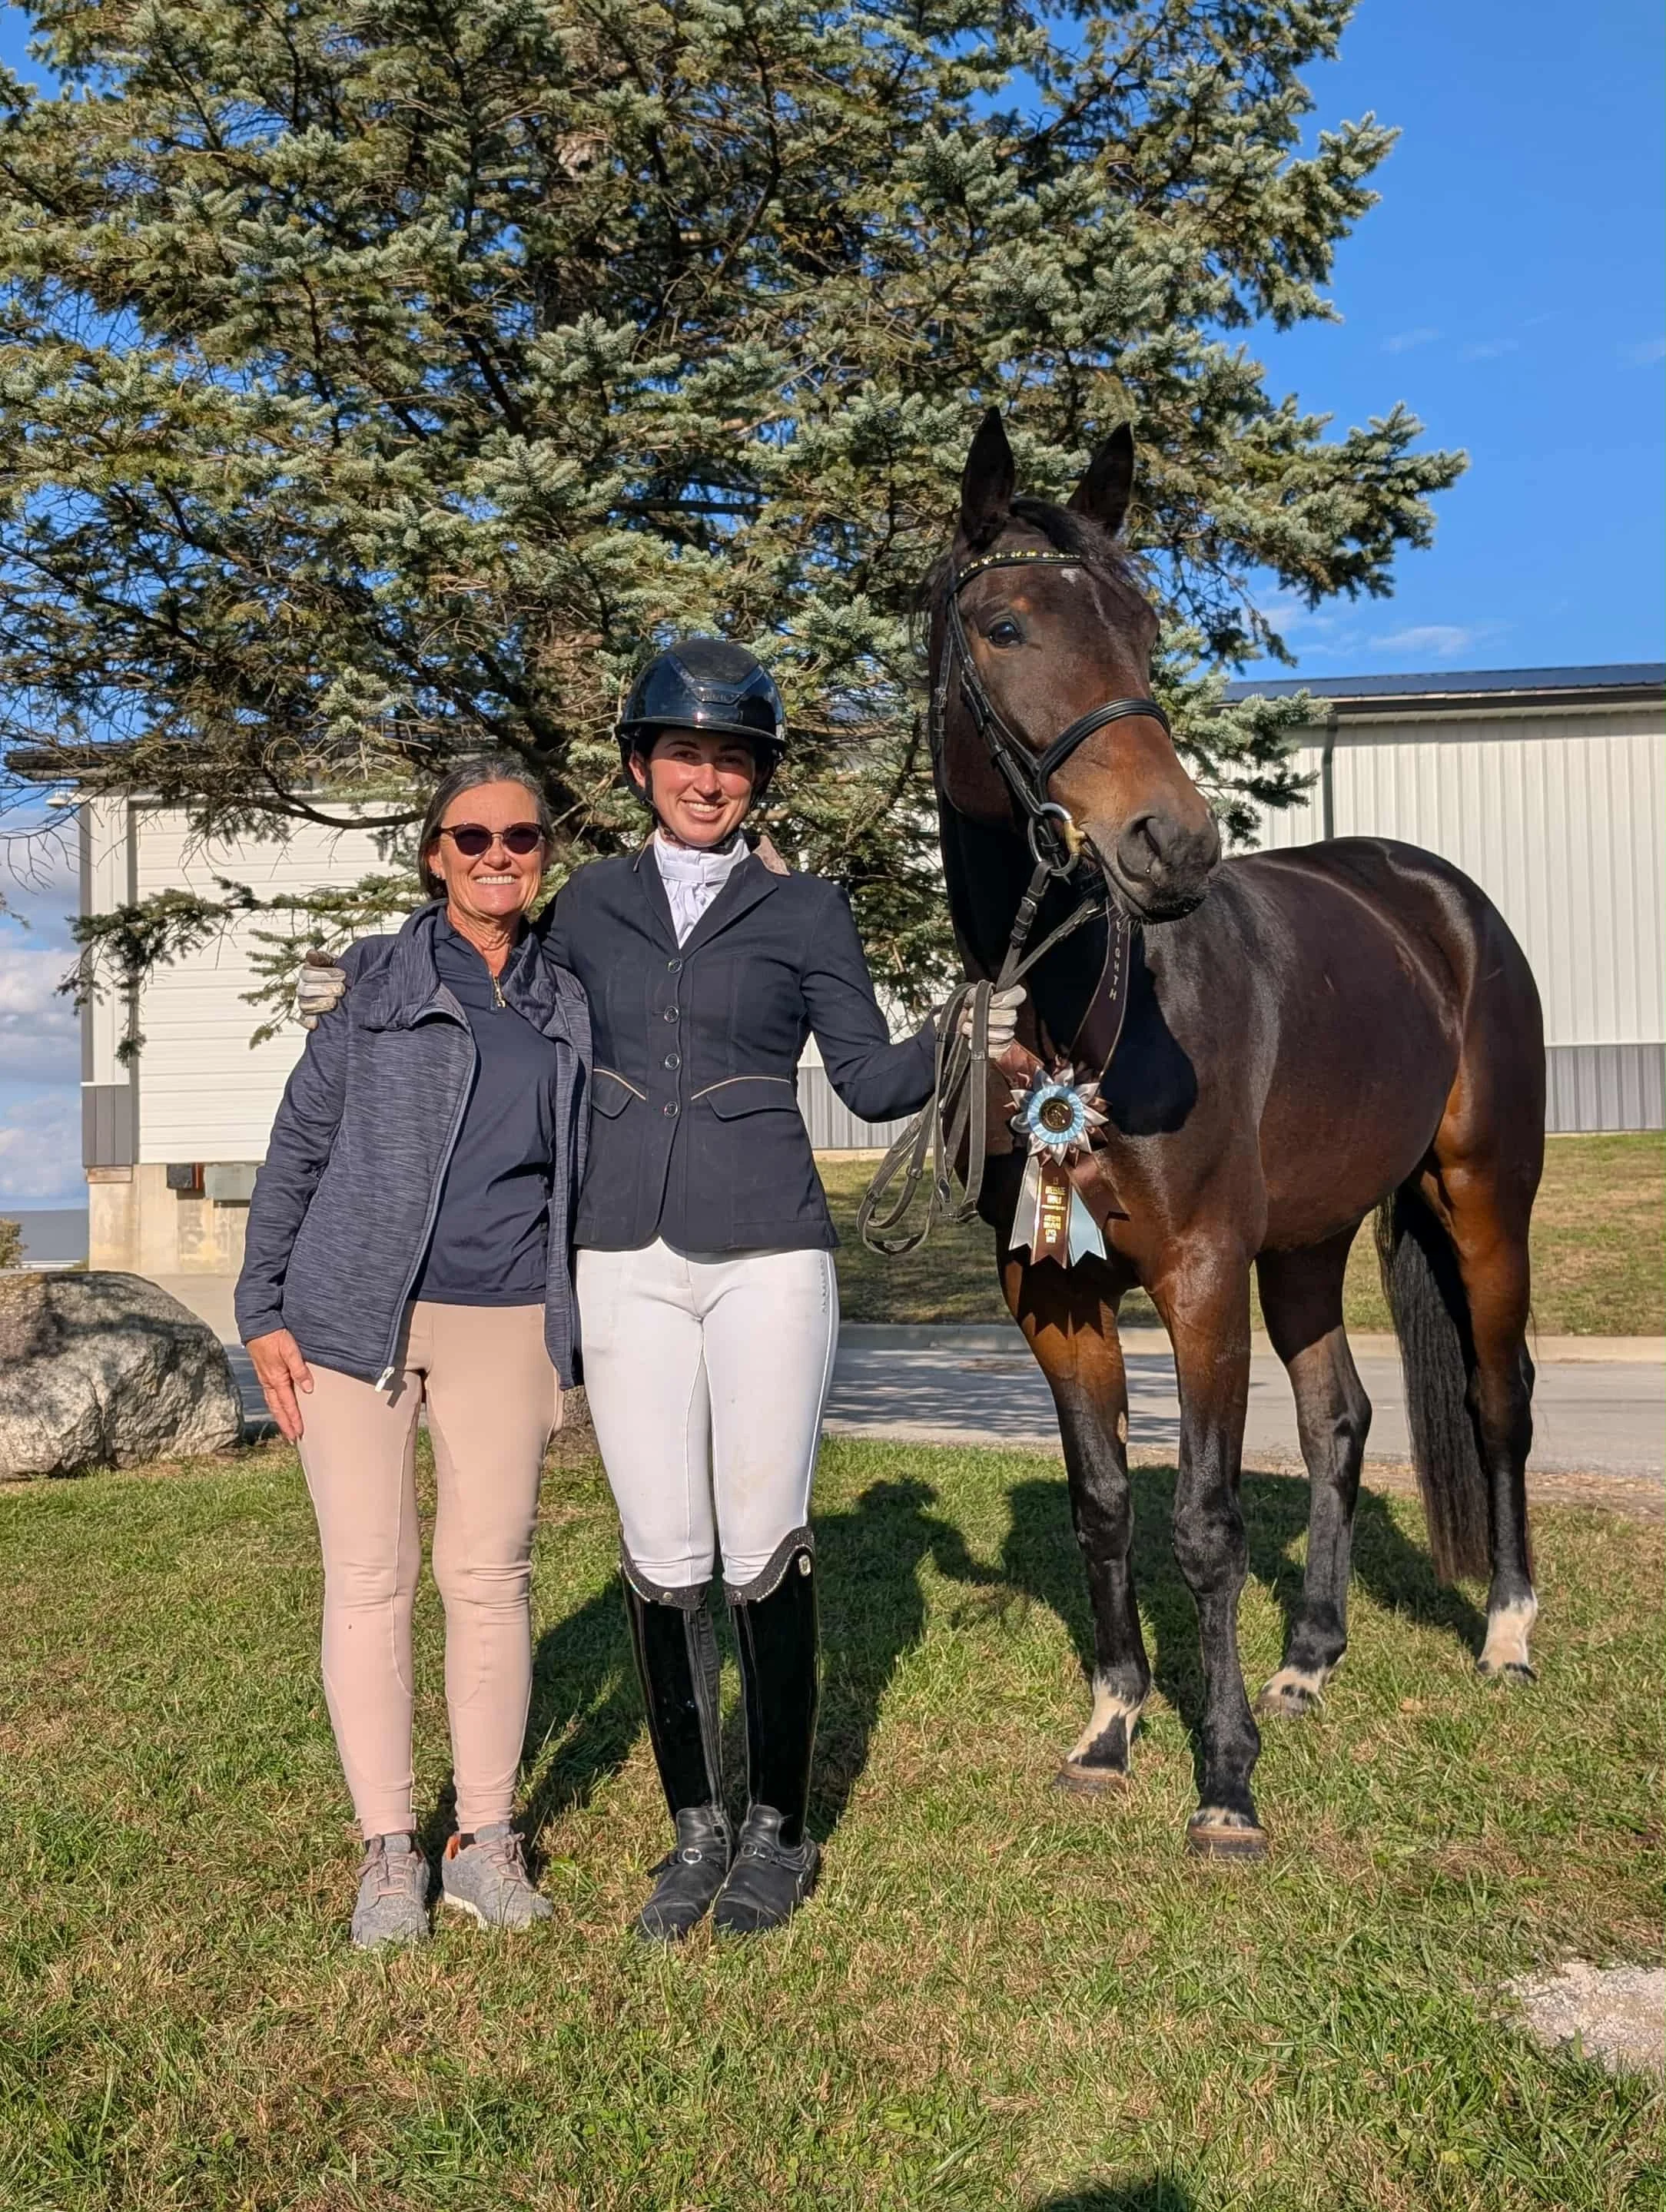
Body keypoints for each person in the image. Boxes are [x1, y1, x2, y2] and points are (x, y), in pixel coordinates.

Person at [301, 640, 967, 1941]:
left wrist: (968, 1030)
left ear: (756, 778)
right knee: (663, 1551)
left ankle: (775, 1827)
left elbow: (872, 1078)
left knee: (762, 1536)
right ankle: (692, 1829)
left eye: (730, 759)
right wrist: (368, 979)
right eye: (683, 755)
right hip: (619, 1257)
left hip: (770, 1249)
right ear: (639, 766)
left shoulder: (808, 910)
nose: (706, 777)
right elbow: (478, 960)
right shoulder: (585, 903)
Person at [238, 758, 590, 1950]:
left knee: (489, 1576)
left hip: (505, 1318)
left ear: (545, 854)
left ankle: (482, 1840)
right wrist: (261, 1305)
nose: (500, 856)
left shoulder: (566, 999)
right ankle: (389, 1847)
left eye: (522, 837)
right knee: (369, 1576)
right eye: (472, 837)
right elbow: (297, 1146)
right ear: (433, 853)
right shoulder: (375, 982)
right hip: (351, 1317)